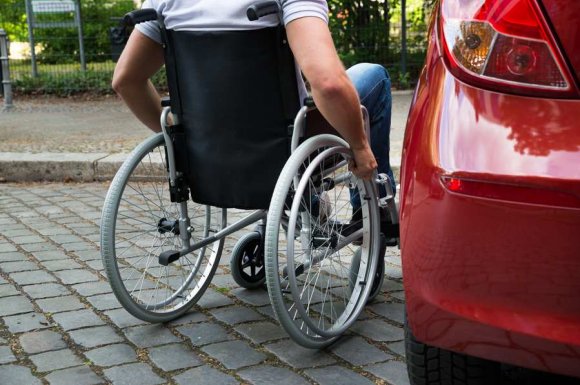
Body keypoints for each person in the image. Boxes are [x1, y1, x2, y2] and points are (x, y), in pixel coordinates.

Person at [112, 0, 395, 220]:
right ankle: (372, 214)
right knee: (374, 76)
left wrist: (181, 140)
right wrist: (358, 145)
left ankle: (308, 199)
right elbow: (329, 84)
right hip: (288, 152)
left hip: (207, 155)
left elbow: (126, 81)